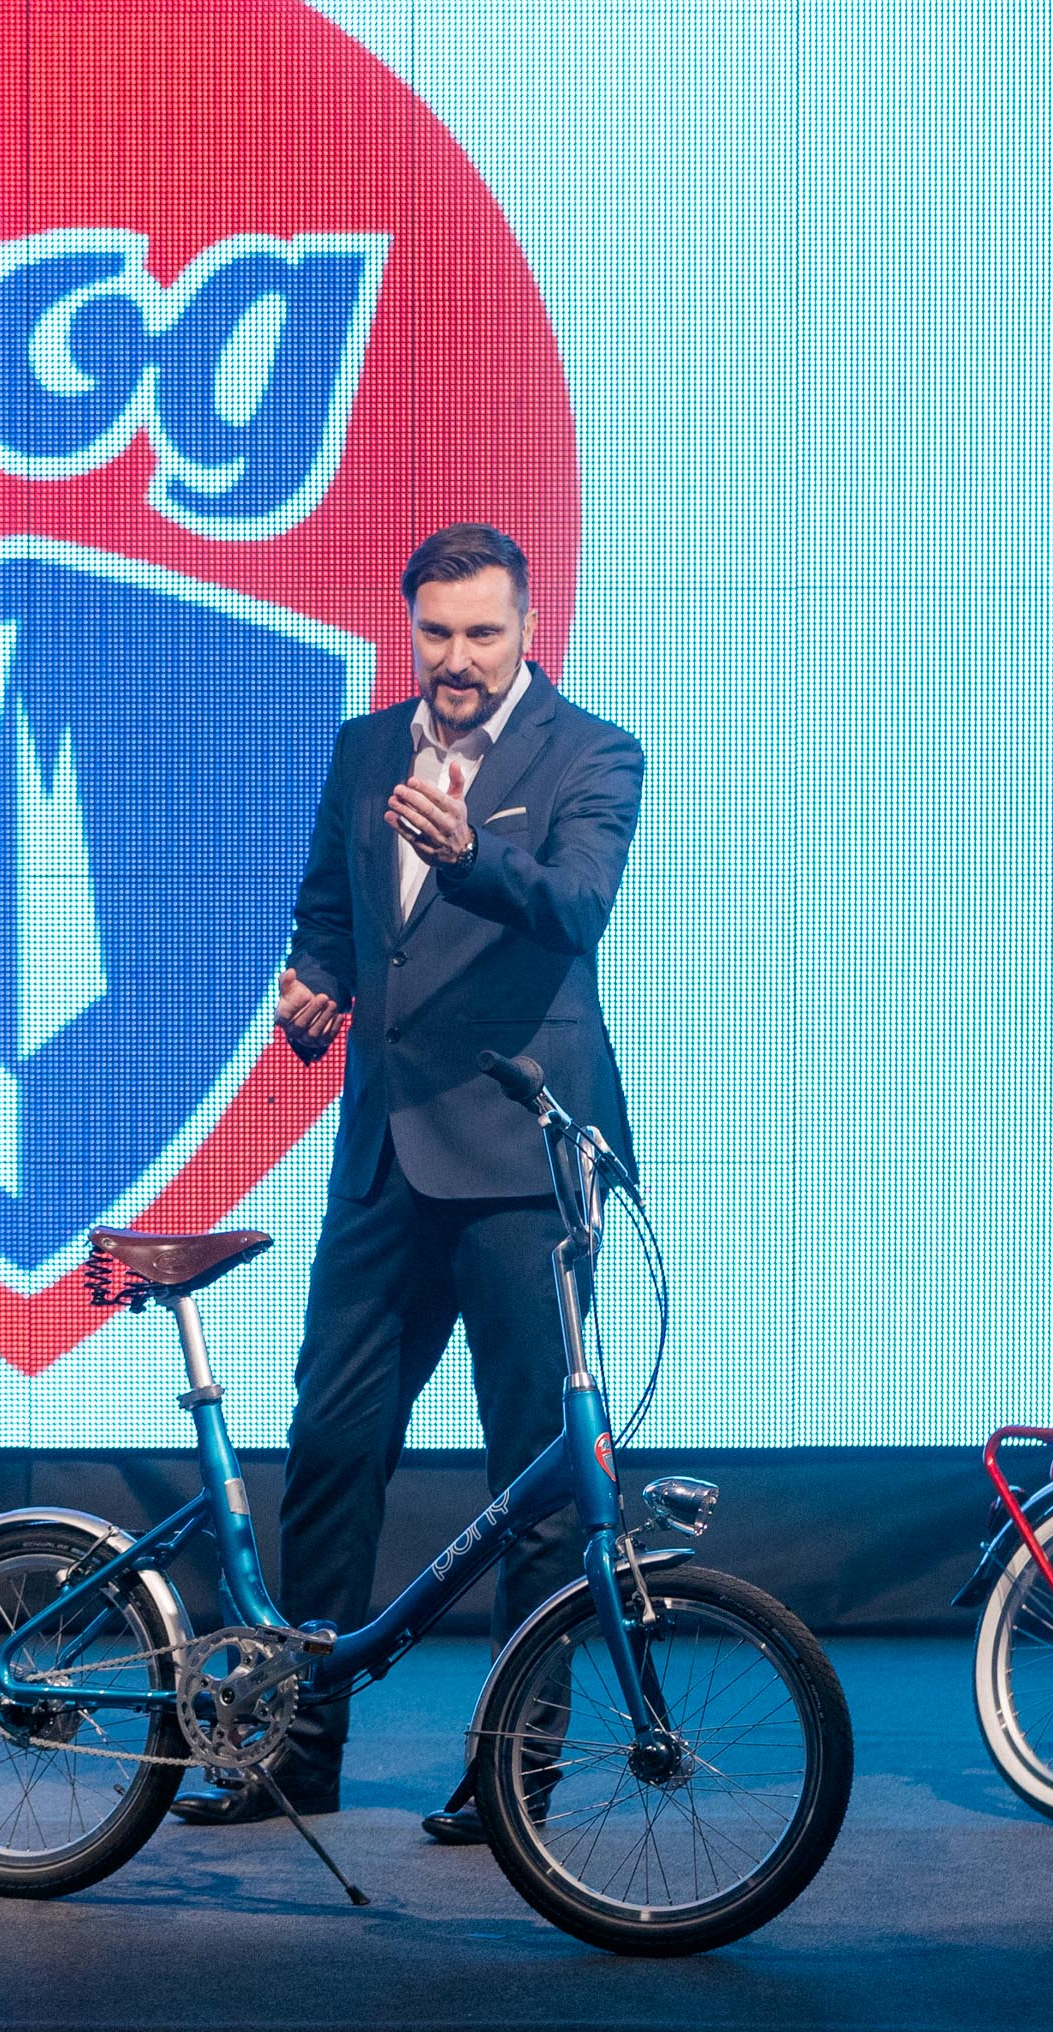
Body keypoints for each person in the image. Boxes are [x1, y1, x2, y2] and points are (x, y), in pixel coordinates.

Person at [175, 522, 643, 1840]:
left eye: (482, 632)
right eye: (435, 632)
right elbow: (330, 914)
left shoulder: (594, 752)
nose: (456, 657)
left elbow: (579, 904)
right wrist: (313, 988)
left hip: (518, 1160)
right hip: (384, 1150)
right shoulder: (366, 746)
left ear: (528, 627)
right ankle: (295, 1752)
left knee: (534, 1473)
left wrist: (467, 853)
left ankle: (514, 1776)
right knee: (333, 1449)